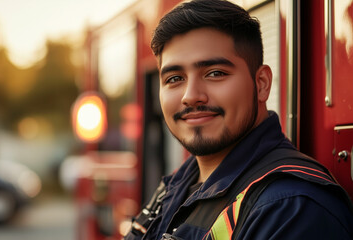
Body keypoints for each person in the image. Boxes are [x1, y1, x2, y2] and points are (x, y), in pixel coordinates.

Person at [123, 0, 353, 239]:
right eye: (174, 78)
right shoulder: (176, 185)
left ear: (262, 84)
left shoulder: (291, 208)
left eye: (215, 73)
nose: (190, 96)